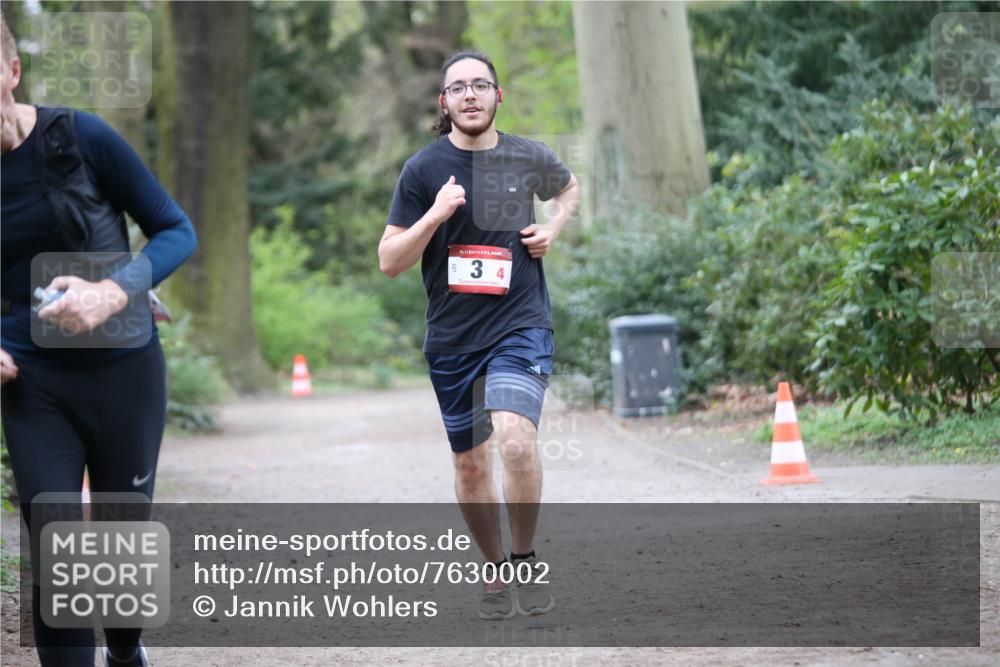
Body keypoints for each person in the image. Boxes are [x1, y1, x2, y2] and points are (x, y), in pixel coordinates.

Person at [1, 14, 196, 666]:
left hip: (123, 368)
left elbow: (175, 230)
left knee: (118, 543)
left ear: (12, 70)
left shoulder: (80, 135)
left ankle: (126, 647)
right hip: (31, 380)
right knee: (55, 537)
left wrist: (115, 290)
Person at [379, 51, 580, 619]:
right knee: (471, 465)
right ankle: (493, 571)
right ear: (444, 103)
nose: (470, 95)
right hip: (452, 339)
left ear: (498, 96)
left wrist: (553, 228)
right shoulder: (423, 171)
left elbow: (569, 190)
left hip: (519, 324)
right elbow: (389, 261)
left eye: (481, 85)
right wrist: (436, 215)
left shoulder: (527, 156)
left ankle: (525, 557)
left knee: (516, 439)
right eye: (458, 88)